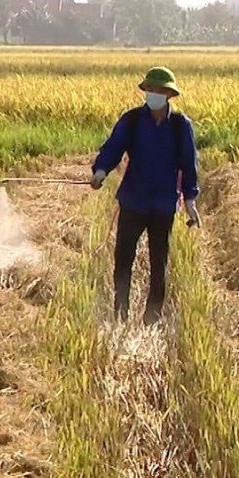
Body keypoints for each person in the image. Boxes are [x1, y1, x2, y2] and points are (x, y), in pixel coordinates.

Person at [90, 66, 200, 326]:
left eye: (159, 90)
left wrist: (190, 200)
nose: (154, 94)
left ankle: (152, 317)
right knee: (123, 259)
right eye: (150, 89)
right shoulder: (132, 121)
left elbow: (189, 164)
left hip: (163, 204)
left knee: (158, 262)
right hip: (133, 200)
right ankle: (120, 313)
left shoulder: (180, 127)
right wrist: (101, 171)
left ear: (169, 94)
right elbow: (113, 148)